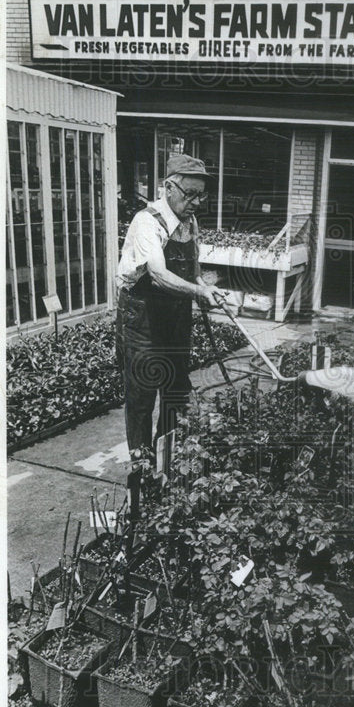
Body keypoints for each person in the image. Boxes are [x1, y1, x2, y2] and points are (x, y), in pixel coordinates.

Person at [116, 153, 222, 485]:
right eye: (189, 193)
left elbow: (193, 269)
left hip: (175, 316)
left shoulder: (190, 222)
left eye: (200, 194)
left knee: (176, 391)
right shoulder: (147, 221)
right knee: (142, 396)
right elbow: (159, 275)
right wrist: (197, 292)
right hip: (143, 316)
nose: (196, 202)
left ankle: (168, 462)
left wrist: (205, 288)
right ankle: (142, 471)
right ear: (168, 187)